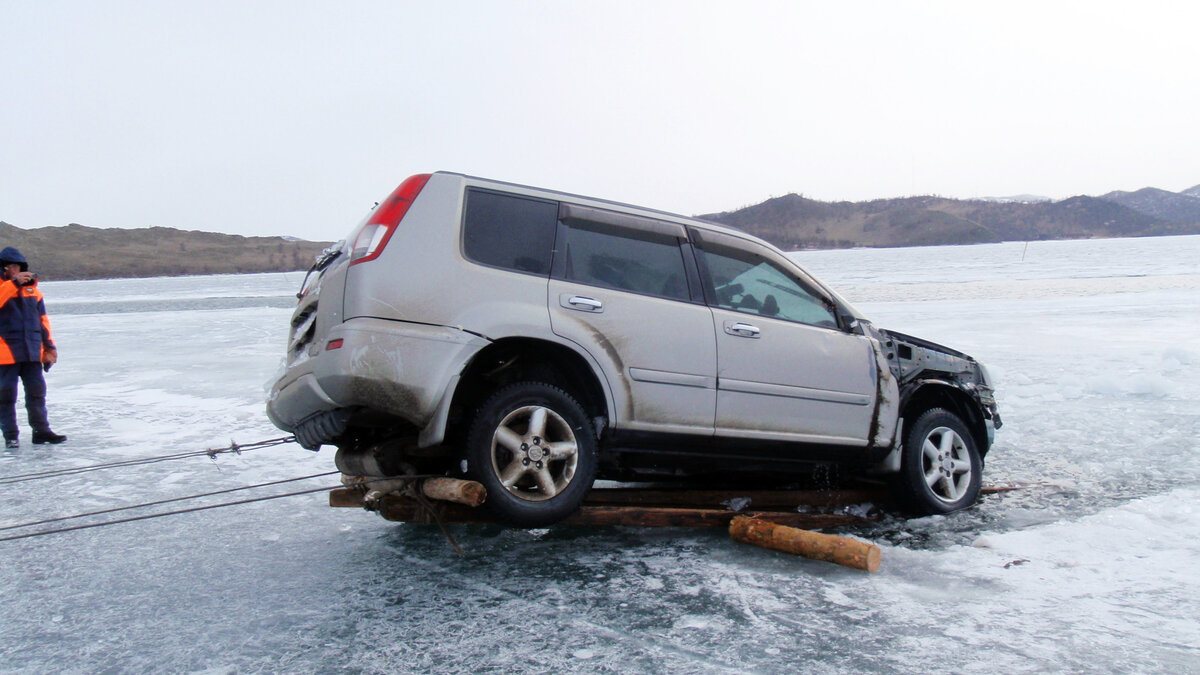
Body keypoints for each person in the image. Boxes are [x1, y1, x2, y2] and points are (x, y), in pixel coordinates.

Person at [0, 247, 65, 448]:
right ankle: (11, 436)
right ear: (4, 269)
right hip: (5, 354)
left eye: (19, 267)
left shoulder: (33, 292)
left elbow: (43, 321)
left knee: (37, 392)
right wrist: (13, 285)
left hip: (31, 351)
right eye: (12, 266)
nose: (17, 270)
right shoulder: (4, 289)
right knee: (6, 396)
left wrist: (49, 348)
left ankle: (41, 431)